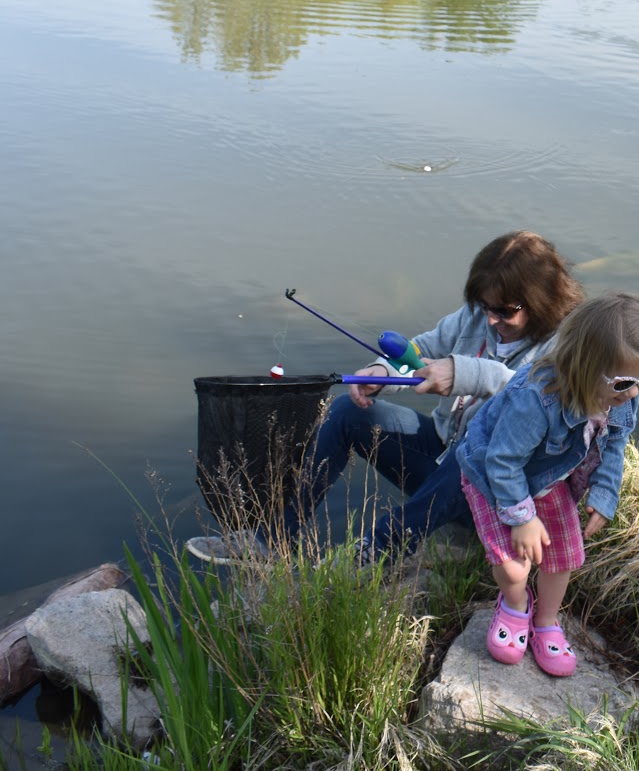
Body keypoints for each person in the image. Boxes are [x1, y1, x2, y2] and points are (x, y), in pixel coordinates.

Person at [186, 230, 583, 565]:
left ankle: (371, 556)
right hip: (446, 452)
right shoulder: (477, 317)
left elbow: (537, 394)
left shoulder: (568, 342)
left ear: (540, 300)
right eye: (484, 307)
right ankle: (272, 540)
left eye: (505, 311)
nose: (491, 319)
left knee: (469, 455)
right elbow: (419, 351)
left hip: (495, 486)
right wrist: (381, 372)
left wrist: (465, 373)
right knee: (345, 413)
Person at [456, 293, 639, 675]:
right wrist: (522, 518)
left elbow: (615, 441)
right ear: (583, 367)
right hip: (493, 473)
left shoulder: (620, 395)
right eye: (624, 383)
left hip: (547, 475)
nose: (634, 393)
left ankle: (546, 621)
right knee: (515, 567)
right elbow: (502, 461)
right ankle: (516, 605)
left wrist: (605, 492)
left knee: (565, 554)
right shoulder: (537, 398)